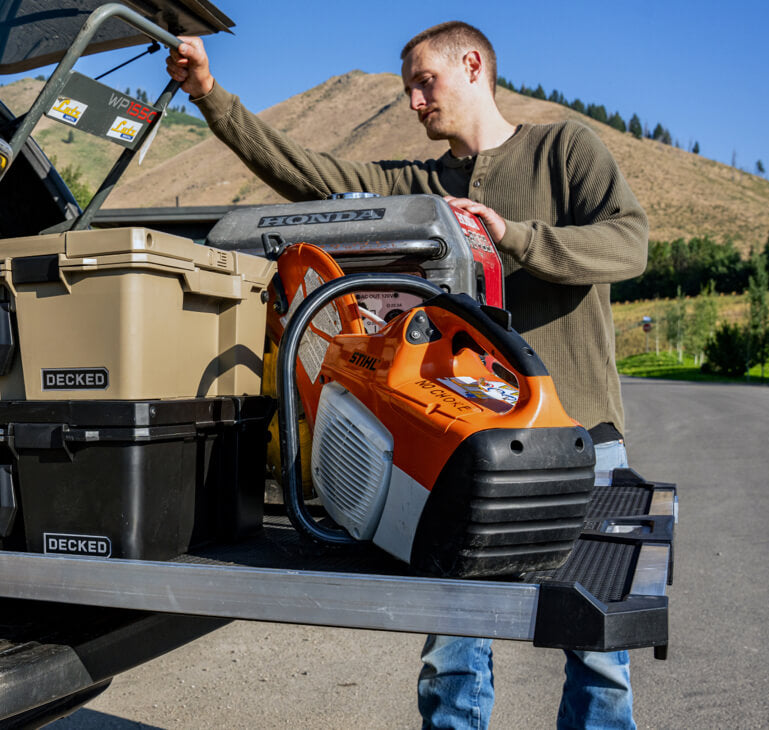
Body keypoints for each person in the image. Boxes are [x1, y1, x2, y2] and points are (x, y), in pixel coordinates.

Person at [168, 21, 648, 730]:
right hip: (460, 453)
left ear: (474, 64)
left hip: (582, 442)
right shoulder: (417, 188)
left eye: (425, 83)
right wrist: (210, 94)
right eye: (407, 91)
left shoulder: (563, 149)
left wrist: (510, 236)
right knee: (452, 650)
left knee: (598, 652)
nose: (415, 102)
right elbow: (311, 175)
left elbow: (627, 241)